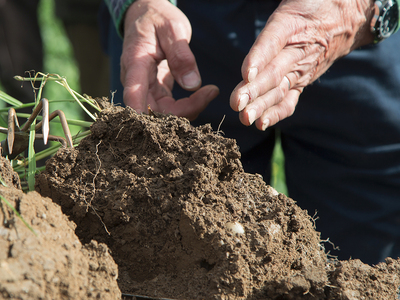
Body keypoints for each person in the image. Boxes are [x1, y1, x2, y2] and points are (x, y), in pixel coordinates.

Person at [103, 0, 400, 265]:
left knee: (363, 265)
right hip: (183, 33)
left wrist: (357, 8)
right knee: (175, 251)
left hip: (355, 41)